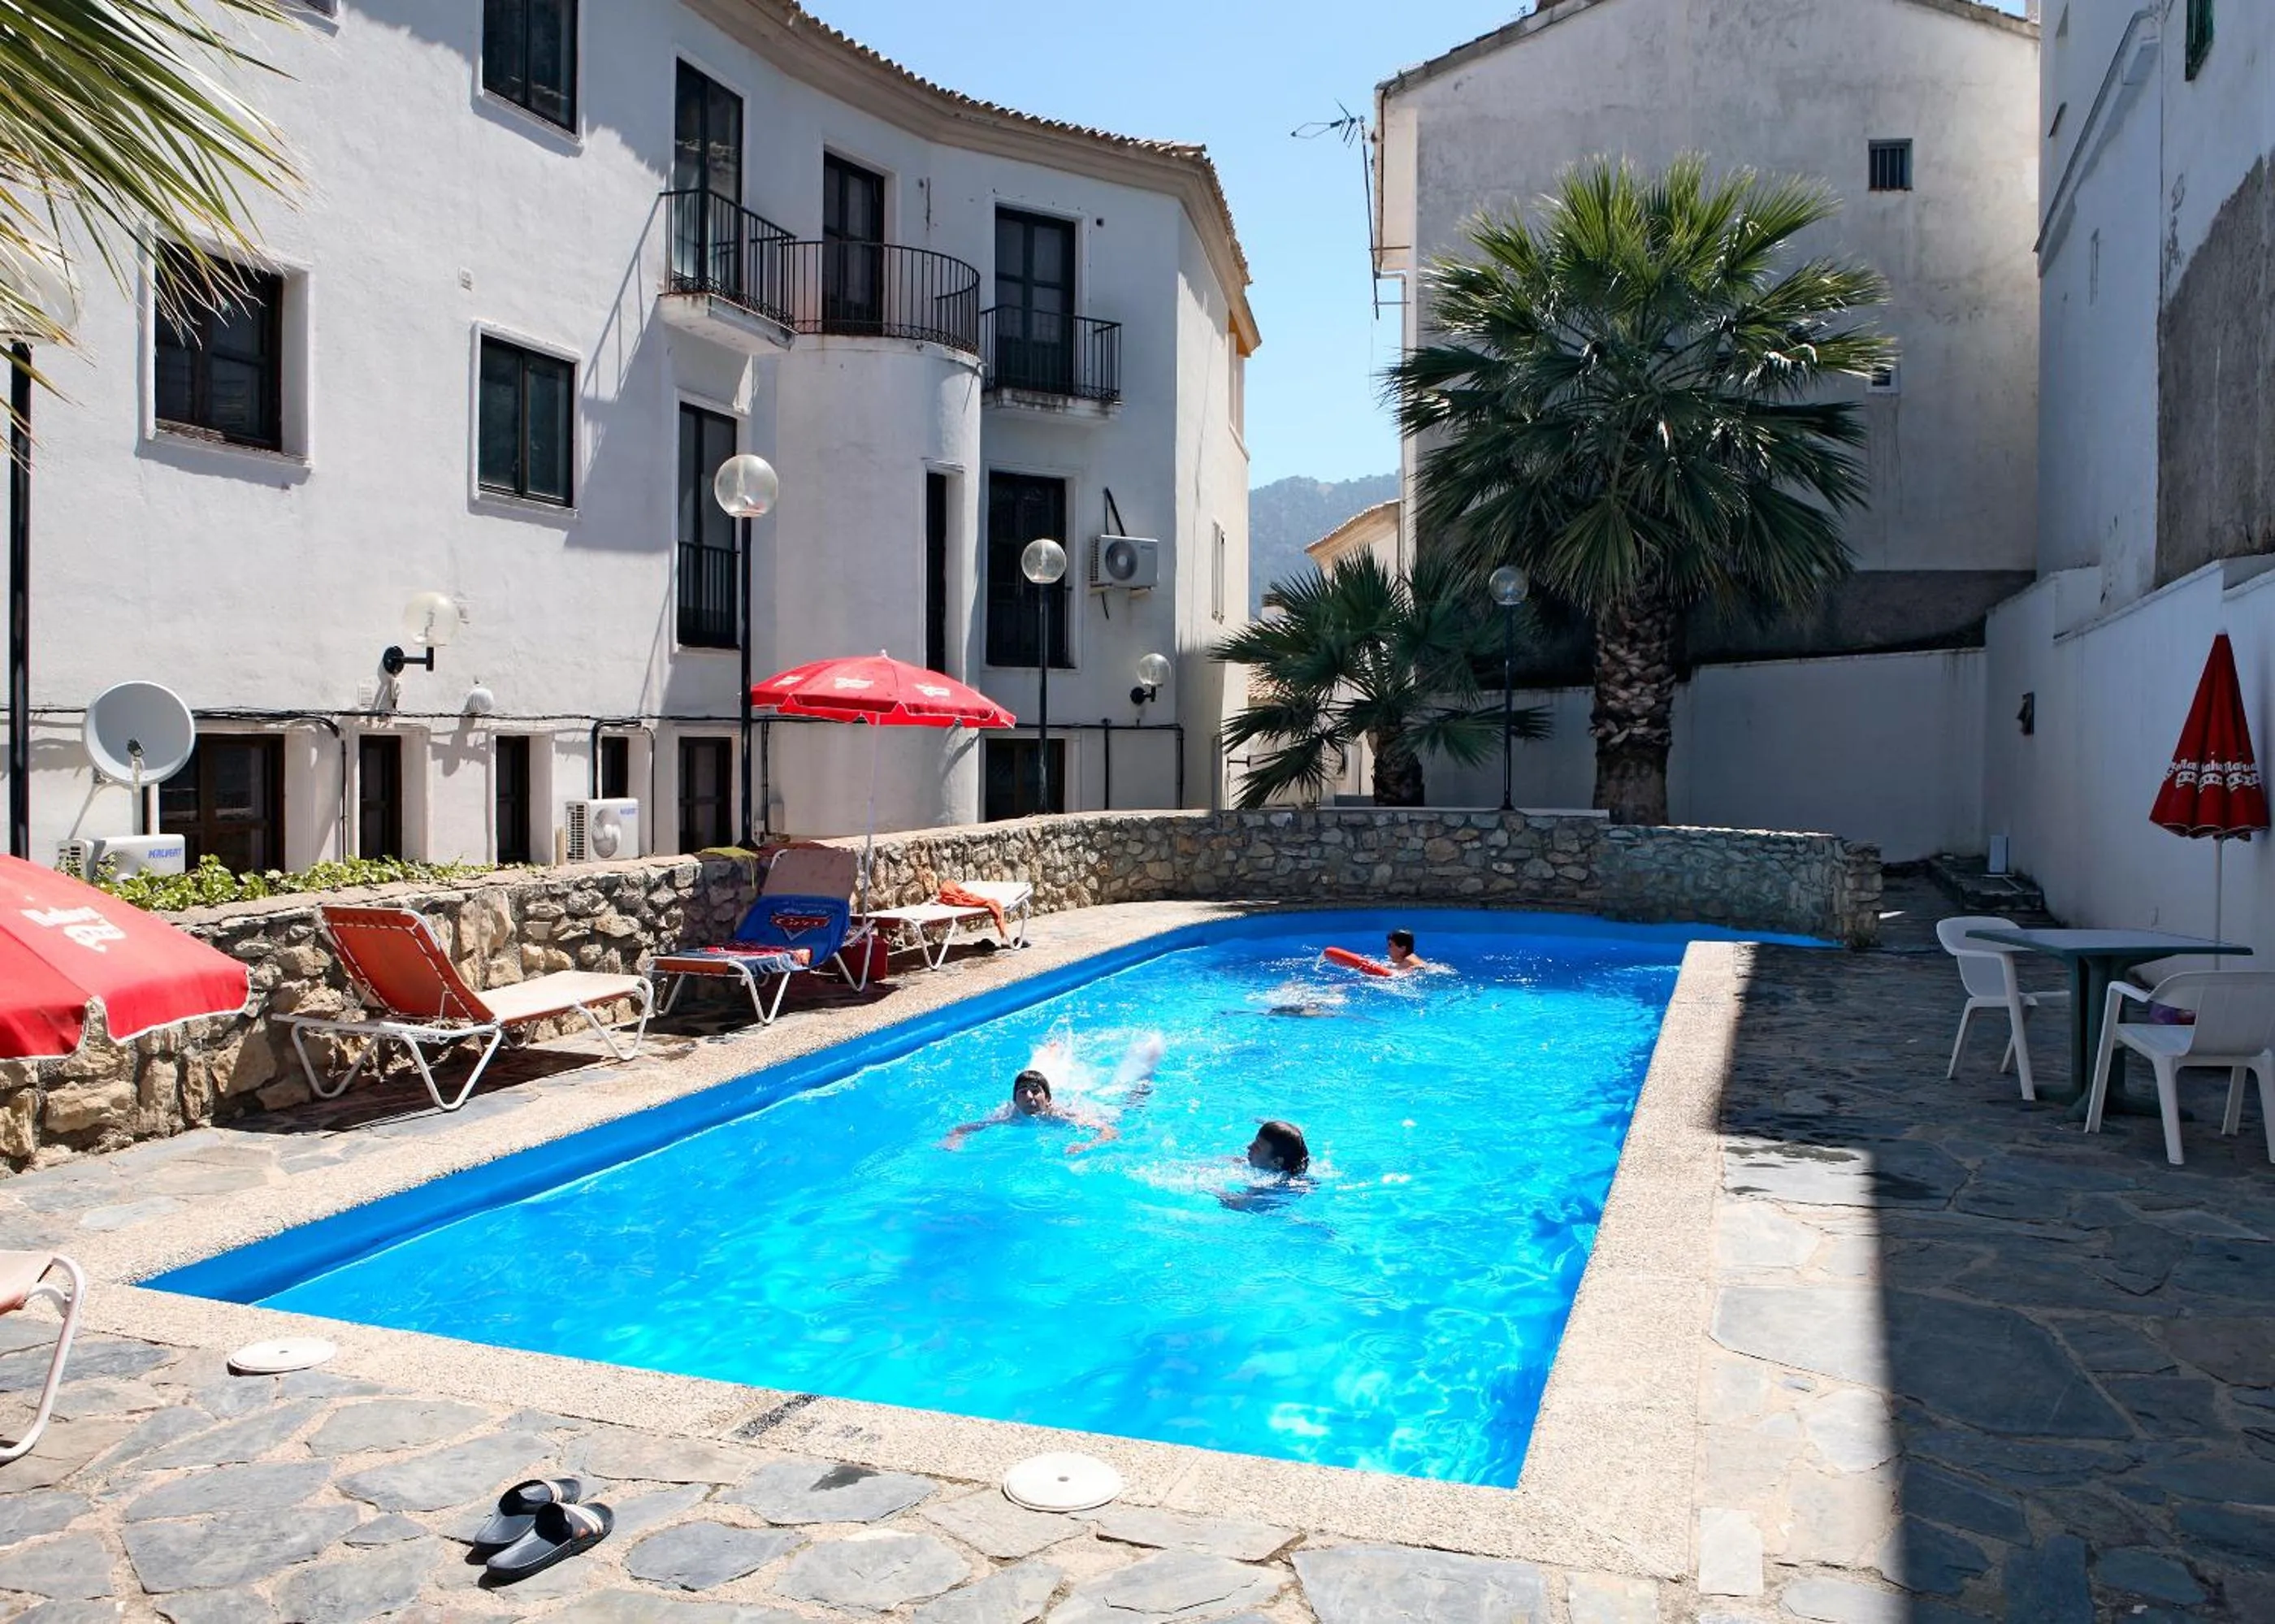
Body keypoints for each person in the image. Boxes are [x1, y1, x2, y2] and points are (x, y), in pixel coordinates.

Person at [942, 1069, 1117, 1154]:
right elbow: (961, 1129)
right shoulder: (1008, 1118)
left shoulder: (1060, 1116)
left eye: (1035, 1091)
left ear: (1047, 1098)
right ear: (1014, 1100)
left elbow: (1109, 1131)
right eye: (1022, 1092)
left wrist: (1086, 1146)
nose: (1029, 1097)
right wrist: (953, 1140)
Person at [1219, 1119, 1313, 1210]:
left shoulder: (1272, 1188)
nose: (1249, 1147)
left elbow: (1238, 1205)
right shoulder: (1283, 1163)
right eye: (1254, 1142)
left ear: (1276, 1161)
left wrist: (1215, 1189)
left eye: (1257, 1147)